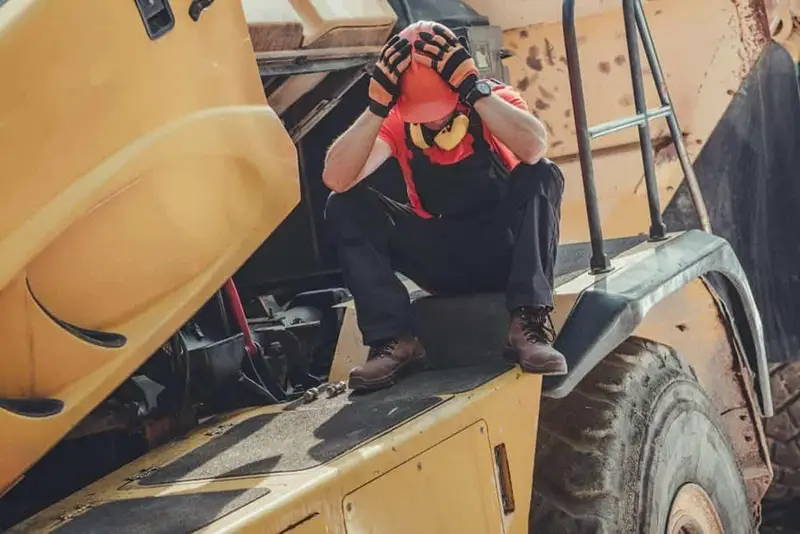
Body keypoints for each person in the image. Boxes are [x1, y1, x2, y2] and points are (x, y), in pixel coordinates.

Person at [322, 20, 568, 392]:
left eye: (438, 107)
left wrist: (475, 90)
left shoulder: (496, 101)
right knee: (344, 204)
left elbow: (534, 148)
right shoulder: (396, 123)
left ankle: (528, 328)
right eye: (422, 111)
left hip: (503, 256)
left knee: (542, 174)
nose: (434, 119)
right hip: (440, 262)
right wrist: (375, 108)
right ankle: (395, 341)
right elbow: (337, 179)